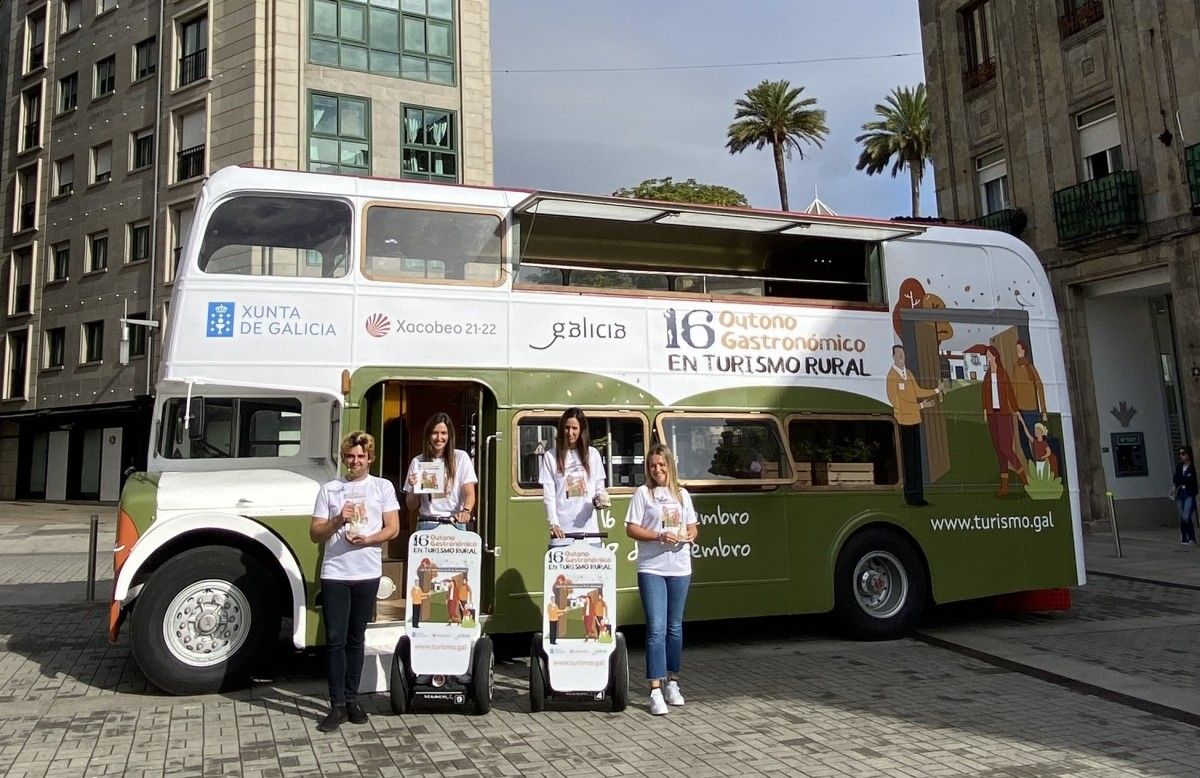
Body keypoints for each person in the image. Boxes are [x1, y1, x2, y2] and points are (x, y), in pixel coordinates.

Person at [310, 430, 400, 732]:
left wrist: (369, 539)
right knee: (334, 639)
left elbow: (393, 528)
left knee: (356, 638)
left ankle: (352, 700)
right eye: (351, 456)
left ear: (370, 458)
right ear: (344, 457)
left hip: (367, 572)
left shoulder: (382, 487)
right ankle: (336, 705)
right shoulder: (330, 489)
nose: (355, 461)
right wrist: (338, 520)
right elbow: (315, 533)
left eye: (361, 456)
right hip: (335, 572)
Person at [624, 444, 699, 715]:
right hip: (652, 567)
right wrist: (658, 536)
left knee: (674, 627)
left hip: (679, 567)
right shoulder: (643, 494)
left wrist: (689, 534)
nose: (657, 470)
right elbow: (631, 528)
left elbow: (692, 526)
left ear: (670, 466)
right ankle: (654, 689)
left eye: (661, 465)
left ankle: (673, 681)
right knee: (656, 627)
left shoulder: (682, 494)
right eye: (653, 466)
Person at [967, 345, 1030, 497]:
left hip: (1004, 415)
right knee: (999, 451)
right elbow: (984, 394)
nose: (988, 358)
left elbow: (1009, 393)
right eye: (987, 356)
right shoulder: (988, 375)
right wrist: (984, 411)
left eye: (989, 355)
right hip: (992, 415)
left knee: (1006, 448)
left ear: (995, 356)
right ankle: (1005, 486)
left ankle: (1024, 480)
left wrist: (1016, 411)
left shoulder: (1003, 373)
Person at [539, 407, 607, 545]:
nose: (570, 433)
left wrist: (600, 501)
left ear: (581, 430)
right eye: (566, 428)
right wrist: (554, 523)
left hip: (590, 534)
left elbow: (600, 489)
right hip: (562, 534)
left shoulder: (592, 454)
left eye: (574, 428)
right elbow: (549, 496)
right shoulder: (550, 456)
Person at [886, 344, 940, 506]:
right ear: (893, 357)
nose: (902, 358)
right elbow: (896, 402)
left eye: (903, 355)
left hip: (915, 420)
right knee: (907, 460)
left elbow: (917, 391)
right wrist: (921, 406)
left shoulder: (908, 374)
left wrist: (936, 390)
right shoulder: (891, 377)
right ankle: (910, 495)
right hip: (903, 422)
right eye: (899, 355)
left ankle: (918, 494)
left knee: (916, 459)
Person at [405, 413, 477, 531]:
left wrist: (466, 511)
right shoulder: (418, 461)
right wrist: (414, 488)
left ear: (449, 435)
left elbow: (470, 493)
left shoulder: (461, 457)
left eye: (443, 433)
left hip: (455, 521)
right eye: (435, 433)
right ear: (428, 435)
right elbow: (411, 506)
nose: (439, 438)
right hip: (428, 522)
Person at [1012, 340, 1048, 463]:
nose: (1018, 352)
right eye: (1017, 350)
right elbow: (1014, 387)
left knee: (1035, 440)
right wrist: (1014, 407)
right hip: (1020, 409)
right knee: (1023, 441)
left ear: (1024, 351)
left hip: (1031, 409)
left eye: (1020, 350)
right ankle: (1030, 464)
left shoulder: (1030, 367)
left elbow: (1040, 386)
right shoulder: (1015, 367)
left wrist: (1043, 410)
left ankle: (1040, 465)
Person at [1172, 446, 1197, 544]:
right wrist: (1184, 480)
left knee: (1186, 515)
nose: (1181, 456)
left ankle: (1190, 537)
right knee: (1183, 515)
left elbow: (1192, 480)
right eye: (1180, 454)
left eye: (1183, 453)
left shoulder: (1192, 467)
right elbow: (1176, 479)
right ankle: (1185, 537)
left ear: (1188, 454)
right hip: (1180, 492)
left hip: (1189, 493)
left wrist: (1184, 480)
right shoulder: (1179, 466)